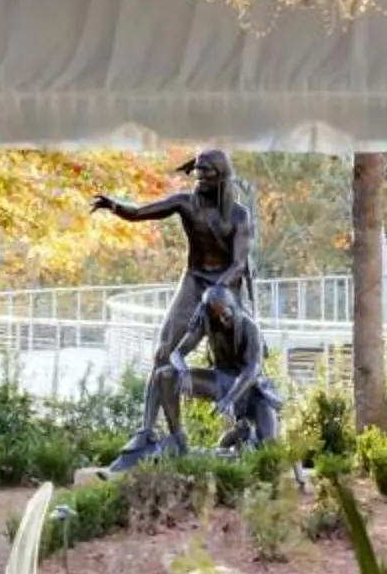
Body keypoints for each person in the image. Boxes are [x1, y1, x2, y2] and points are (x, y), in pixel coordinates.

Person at [93, 148, 268, 463]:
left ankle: (245, 426)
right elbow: (141, 212)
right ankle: (151, 433)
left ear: (222, 176)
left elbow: (239, 264)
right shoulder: (186, 203)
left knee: (238, 360)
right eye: (197, 172)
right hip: (194, 281)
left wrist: (214, 297)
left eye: (207, 173)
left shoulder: (239, 215)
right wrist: (115, 207)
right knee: (163, 354)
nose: (200, 178)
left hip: (224, 287)